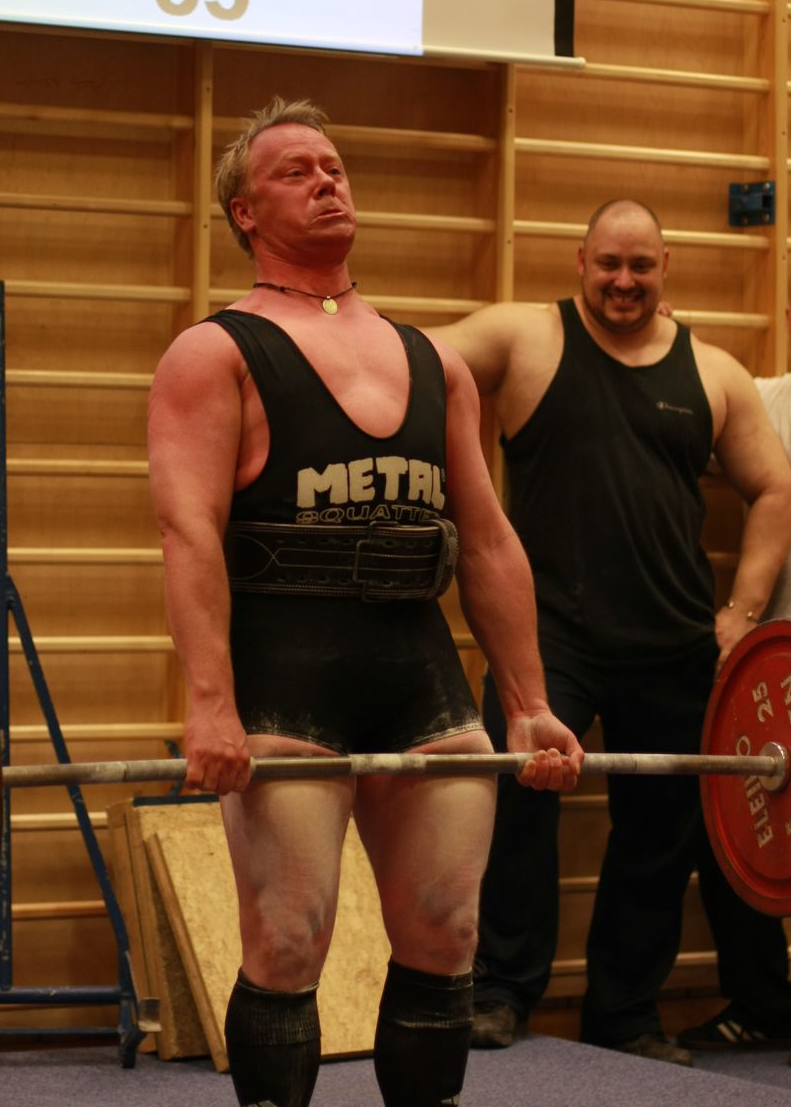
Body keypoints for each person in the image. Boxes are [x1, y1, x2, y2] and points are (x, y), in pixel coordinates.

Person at [146, 97, 584, 1107]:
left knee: (447, 932)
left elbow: (485, 540)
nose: (325, 180)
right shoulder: (213, 354)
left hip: (417, 674)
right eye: (294, 171)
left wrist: (527, 702)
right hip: (284, 679)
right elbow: (188, 535)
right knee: (287, 938)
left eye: (333, 166)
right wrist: (210, 704)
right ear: (244, 212)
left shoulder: (433, 361)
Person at [435, 199, 791, 1065]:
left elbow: (774, 491)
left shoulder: (712, 372)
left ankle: (623, 1014)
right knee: (517, 814)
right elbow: (412, 358)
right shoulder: (526, 338)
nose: (623, 281)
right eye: (608, 264)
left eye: (640, 266)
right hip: (546, 638)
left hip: (674, 643)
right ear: (580, 262)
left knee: (657, 838)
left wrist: (741, 613)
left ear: (665, 267)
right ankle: (499, 992)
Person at [679, 260, 791, 1062]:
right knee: (729, 822)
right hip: (769, 654)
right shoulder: (760, 399)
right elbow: (678, 430)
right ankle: (765, 1003)